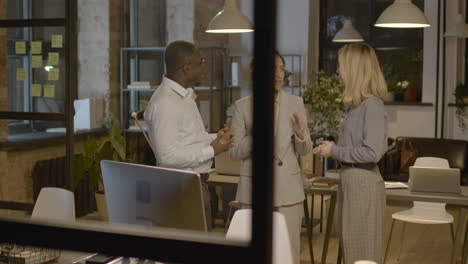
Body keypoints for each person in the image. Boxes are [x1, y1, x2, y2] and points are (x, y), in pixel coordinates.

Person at [229, 51, 312, 264]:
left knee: (288, 253)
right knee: (253, 252)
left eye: (282, 69)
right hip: (254, 190)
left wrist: (302, 135)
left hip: (288, 189)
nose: (278, 74)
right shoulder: (242, 107)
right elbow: (234, 151)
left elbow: (305, 150)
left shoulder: (296, 103)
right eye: (273, 69)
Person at [144, 40, 233, 229]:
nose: (204, 68)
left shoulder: (184, 97)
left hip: (194, 185)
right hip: (180, 189)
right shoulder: (165, 103)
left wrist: (217, 138)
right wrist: (212, 150)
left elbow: (190, 140)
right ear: (186, 68)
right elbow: (167, 157)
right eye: (201, 63)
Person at [313, 43, 388, 264]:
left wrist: (334, 150)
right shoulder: (356, 106)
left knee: (362, 255)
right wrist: (333, 149)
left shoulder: (372, 106)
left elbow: (372, 152)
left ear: (354, 68)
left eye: (340, 65)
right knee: (352, 252)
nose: (337, 71)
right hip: (352, 180)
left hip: (362, 183)